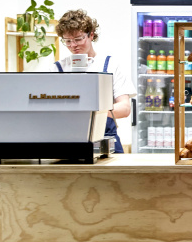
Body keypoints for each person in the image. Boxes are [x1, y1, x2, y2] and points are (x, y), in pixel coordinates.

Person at [52, 9, 135, 153]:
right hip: (69, 141)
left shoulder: (110, 65)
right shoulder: (58, 68)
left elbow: (125, 108)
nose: (73, 45)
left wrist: (92, 111)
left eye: (78, 39)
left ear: (91, 35)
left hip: (107, 140)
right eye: (68, 41)